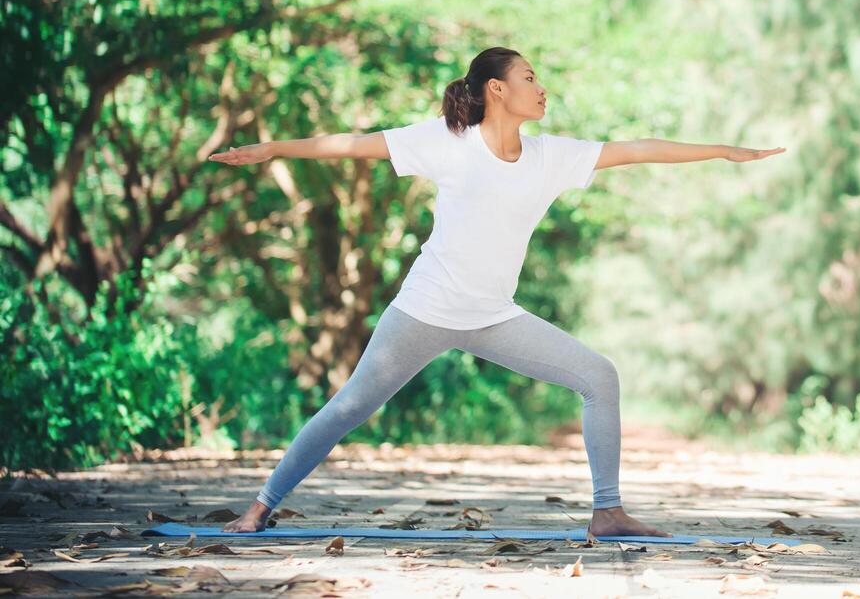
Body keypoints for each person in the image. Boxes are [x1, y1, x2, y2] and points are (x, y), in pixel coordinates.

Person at [205, 46, 785, 537]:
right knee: (351, 406)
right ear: (496, 89)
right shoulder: (446, 141)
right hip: (424, 310)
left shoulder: (551, 157)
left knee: (598, 376)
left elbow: (635, 149)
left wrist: (722, 151)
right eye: (529, 78)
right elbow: (354, 144)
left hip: (493, 317)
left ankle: (607, 511)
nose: (541, 88)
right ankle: (261, 506)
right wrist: (274, 148)